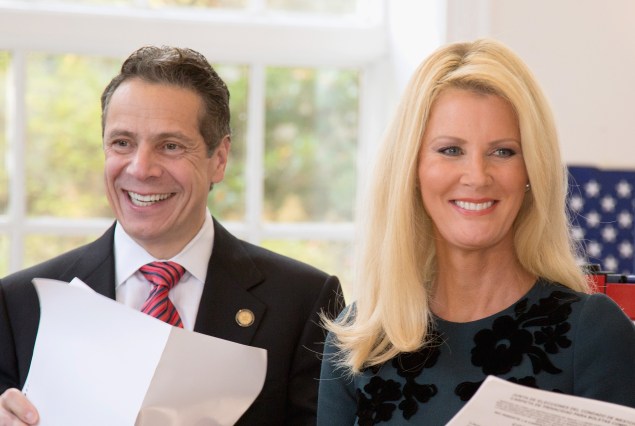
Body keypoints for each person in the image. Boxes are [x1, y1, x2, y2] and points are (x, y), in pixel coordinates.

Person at [0, 45, 344, 425]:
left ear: (219, 158)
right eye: (122, 143)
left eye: (170, 146)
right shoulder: (17, 305)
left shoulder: (304, 302)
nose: (141, 168)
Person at [317, 38, 635, 425]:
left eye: (503, 151)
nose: (477, 177)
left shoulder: (594, 332)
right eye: (450, 150)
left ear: (532, 170)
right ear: (412, 169)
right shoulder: (359, 338)